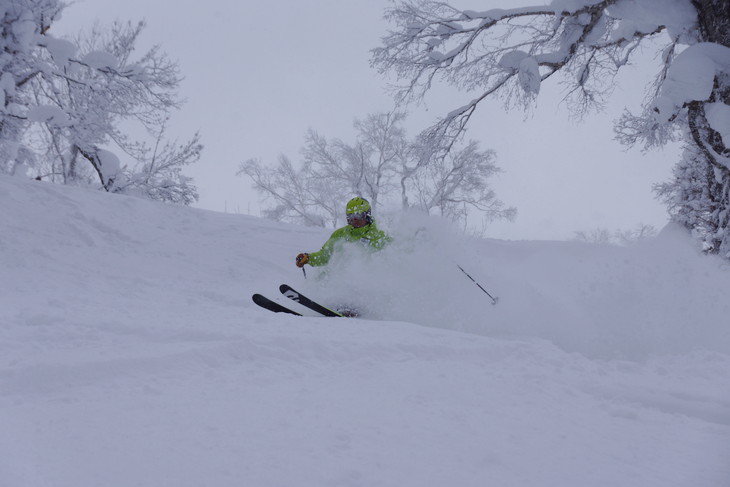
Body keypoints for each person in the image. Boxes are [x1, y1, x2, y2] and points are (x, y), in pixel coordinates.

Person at [295, 197, 390, 269]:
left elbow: (390, 261)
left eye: (358, 215)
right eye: (351, 216)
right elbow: (325, 256)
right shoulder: (340, 234)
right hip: (336, 279)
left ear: (367, 215)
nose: (354, 220)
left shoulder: (379, 236)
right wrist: (308, 258)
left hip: (364, 282)